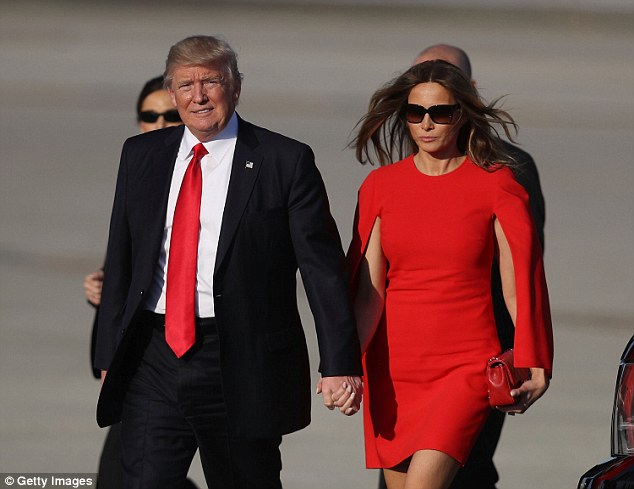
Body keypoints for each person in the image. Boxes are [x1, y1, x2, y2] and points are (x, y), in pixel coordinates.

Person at [93, 35, 362, 489]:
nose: (197, 96)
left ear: (235, 88)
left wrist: (338, 362)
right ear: (171, 92)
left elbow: (322, 270)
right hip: (153, 356)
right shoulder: (141, 155)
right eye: (185, 85)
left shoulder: (284, 161)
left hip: (239, 359)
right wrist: (106, 355)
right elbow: (122, 258)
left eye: (210, 82)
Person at [348, 59, 553, 489]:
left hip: (463, 366)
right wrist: (343, 364)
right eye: (414, 112)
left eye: (440, 112)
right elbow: (370, 293)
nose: (426, 123)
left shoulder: (497, 184)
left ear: (462, 115)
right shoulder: (380, 187)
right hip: (394, 369)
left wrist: (535, 358)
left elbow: (520, 286)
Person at [83, 75, 184, 489]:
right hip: (143, 360)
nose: (159, 124)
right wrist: (103, 291)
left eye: (170, 115)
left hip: (206, 352)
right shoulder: (137, 172)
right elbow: (128, 262)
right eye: (149, 115)